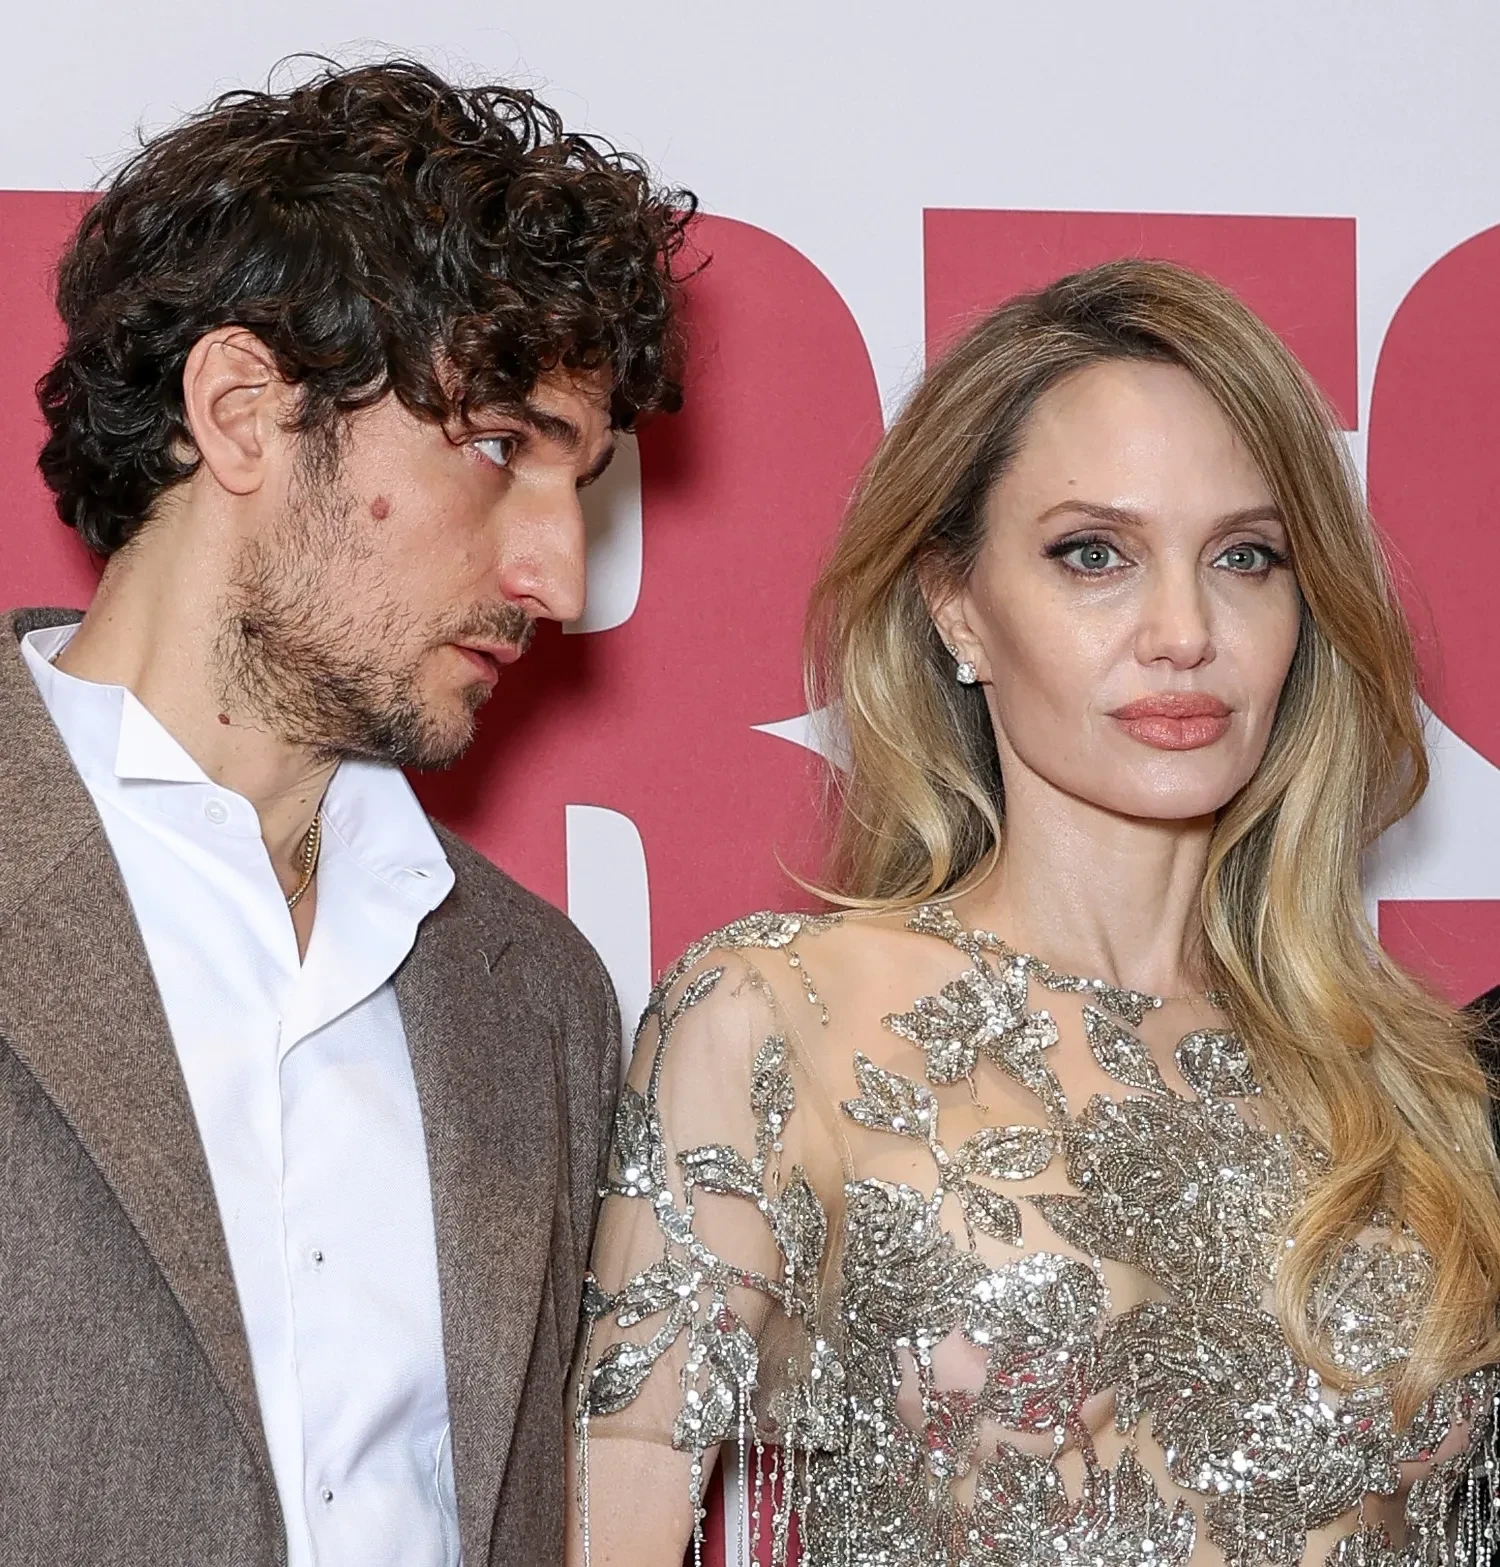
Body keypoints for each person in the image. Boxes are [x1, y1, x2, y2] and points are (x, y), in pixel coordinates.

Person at [569, 260, 1500, 1566]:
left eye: (1245, 557)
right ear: (957, 605)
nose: (1183, 630)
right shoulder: (780, 1018)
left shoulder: (1415, 1080)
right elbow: (615, 1525)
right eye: (1094, 555)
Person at [0, 59, 693, 1567]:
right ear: (244, 411)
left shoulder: (538, 998)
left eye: (581, 484)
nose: (558, 576)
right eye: (501, 447)